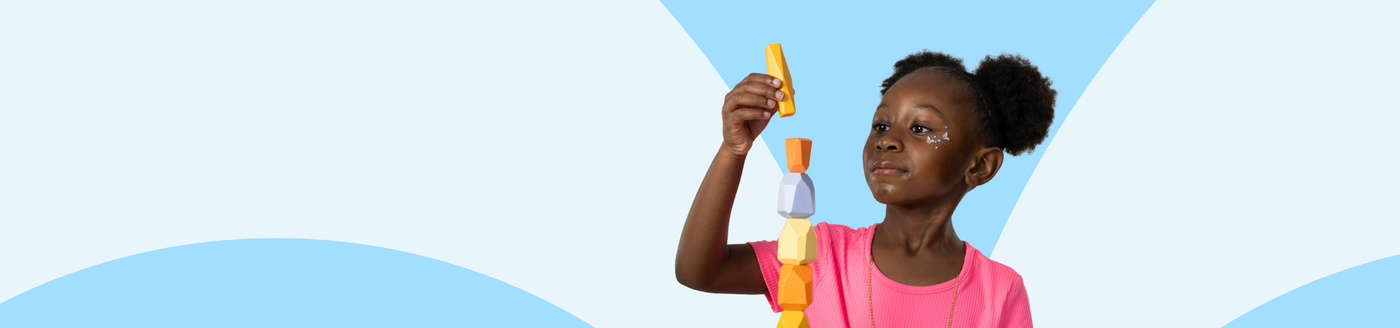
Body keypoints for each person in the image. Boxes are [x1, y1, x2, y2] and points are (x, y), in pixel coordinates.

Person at [675, 50, 1056, 327]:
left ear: (979, 166)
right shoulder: (820, 255)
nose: (886, 141)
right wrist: (733, 151)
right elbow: (701, 271)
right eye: (881, 125)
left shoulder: (1000, 292)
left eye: (921, 128)